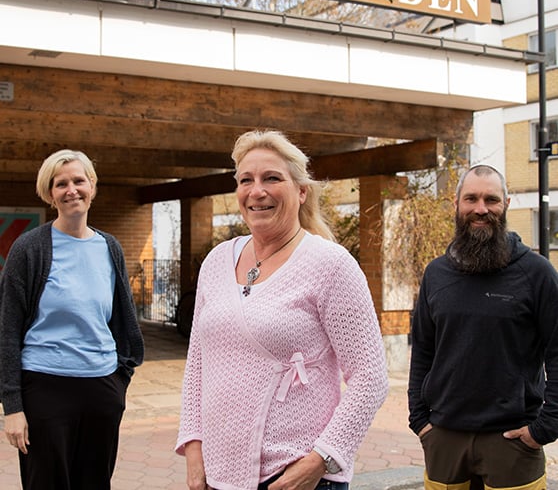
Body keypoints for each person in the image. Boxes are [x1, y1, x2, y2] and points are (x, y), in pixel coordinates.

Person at [175, 130, 388, 490]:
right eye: (246, 180)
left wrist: (322, 459)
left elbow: (371, 377)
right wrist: (194, 449)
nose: (257, 191)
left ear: (301, 191)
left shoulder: (330, 265)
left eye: (272, 178)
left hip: (294, 476)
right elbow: (198, 364)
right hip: (219, 475)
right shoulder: (216, 262)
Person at [0, 149, 144, 490]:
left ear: (92, 186)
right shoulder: (29, 248)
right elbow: (6, 329)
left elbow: (123, 320)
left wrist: (120, 380)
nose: (71, 190)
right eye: (60, 184)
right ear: (50, 194)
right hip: (45, 390)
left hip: (101, 390)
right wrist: (12, 407)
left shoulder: (110, 248)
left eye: (79, 180)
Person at [408, 164, 558, 490]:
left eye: (491, 199)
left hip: (513, 441)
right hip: (444, 438)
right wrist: (418, 418)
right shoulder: (436, 274)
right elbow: (423, 348)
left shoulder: (538, 274)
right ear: (456, 205)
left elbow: (557, 352)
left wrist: (546, 428)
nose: (480, 209)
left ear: (506, 203)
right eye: (471, 199)